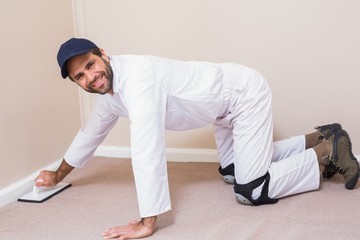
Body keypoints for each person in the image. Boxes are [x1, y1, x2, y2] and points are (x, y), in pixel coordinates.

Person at [35, 38, 359, 240]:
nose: (91, 77)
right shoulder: (109, 94)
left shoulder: (138, 79)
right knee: (233, 173)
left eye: (90, 65)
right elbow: (89, 135)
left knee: (250, 190)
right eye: (80, 76)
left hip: (242, 95)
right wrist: (57, 174)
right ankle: (322, 135)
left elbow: (147, 150)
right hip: (221, 110)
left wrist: (148, 221)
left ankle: (329, 152)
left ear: (102, 54)